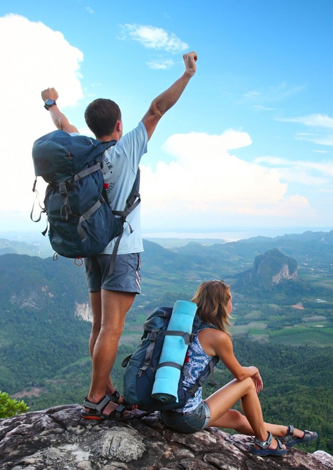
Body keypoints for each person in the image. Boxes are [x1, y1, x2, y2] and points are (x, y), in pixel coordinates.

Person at [40, 51, 198, 420]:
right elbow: (158, 108)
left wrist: (50, 103)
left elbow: (62, 125)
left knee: (99, 325)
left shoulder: (84, 153)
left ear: (91, 126)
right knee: (113, 327)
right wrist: (187, 74)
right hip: (120, 250)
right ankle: (96, 398)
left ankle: (104, 386)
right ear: (119, 123)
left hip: (92, 247)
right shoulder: (126, 148)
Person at [160, 280, 318, 456]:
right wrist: (254, 369)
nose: (232, 306)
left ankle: (287, 432)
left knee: (235, 417)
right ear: (221, 305)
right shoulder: (217, 337)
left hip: (168, 411)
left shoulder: (185, 328)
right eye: (230, 301)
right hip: (186, 417)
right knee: (248, 384)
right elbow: (240, 374)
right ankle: (264, 441)